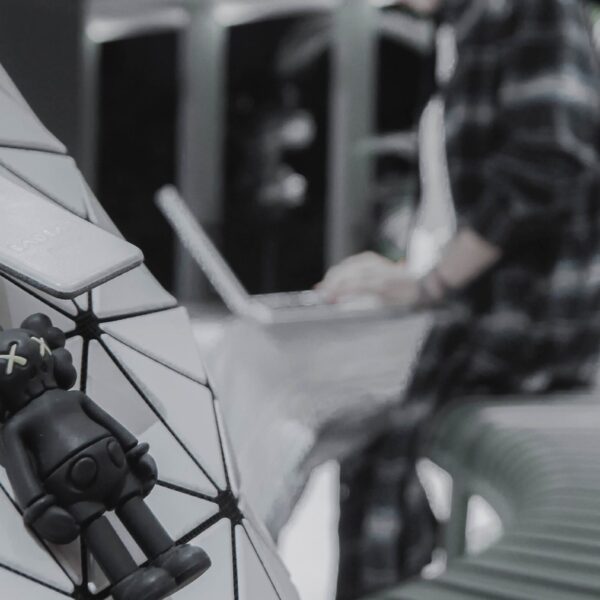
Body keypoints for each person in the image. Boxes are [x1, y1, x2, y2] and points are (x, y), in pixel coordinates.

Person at [318, 0, 600, 598]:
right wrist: (410, 275)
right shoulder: (462, 28)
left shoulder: (530, 10)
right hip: (496, 310)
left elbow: (548, 168)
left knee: (364, 423)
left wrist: (431, 284)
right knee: (342, 410)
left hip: (534, 323)